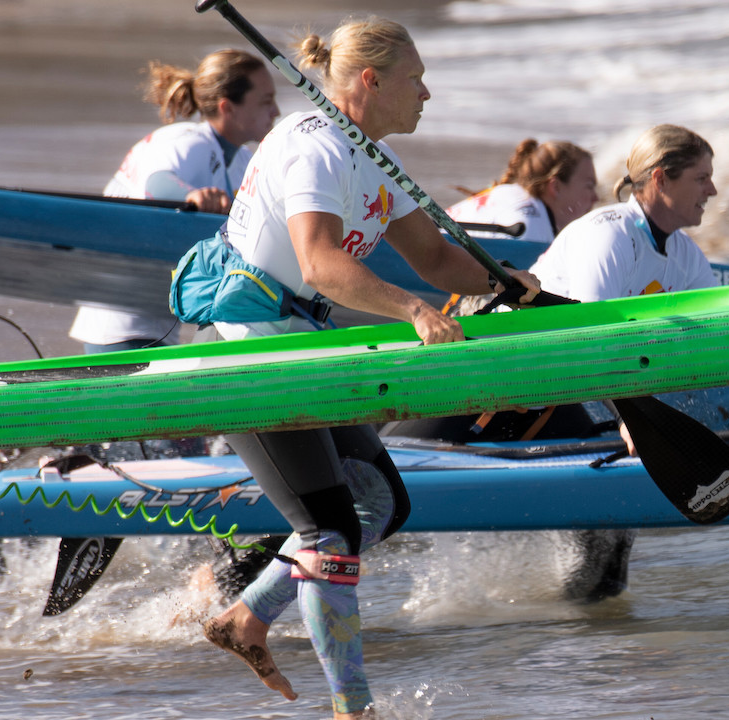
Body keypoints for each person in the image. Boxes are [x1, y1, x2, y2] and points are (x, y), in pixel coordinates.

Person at [194, 17, 538, 720]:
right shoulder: (314, 147)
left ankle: (244, 620)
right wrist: (414, 312)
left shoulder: (375, 160)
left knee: (381, 502)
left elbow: (438, 259)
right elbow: (323, 263)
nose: (428, 93)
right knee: (331, 530)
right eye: (416, 80)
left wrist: (503, 278)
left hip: (301, 348)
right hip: (249, 351)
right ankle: (354, 709)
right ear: (371, 82)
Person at [529, 124, 729, 454]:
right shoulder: (609, 237)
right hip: (511, 382)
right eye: (701, 178)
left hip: (564, 390)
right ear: (660, 179)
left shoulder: (684, 254)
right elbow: (592, 340)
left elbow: (726, 340)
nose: (712, 190)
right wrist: (628, 418)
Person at [69, 49, 280, 354]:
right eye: (266, 101)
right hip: (120, 317)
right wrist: (191, 196)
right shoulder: (186, 142)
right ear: (228, 107)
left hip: (159, 316)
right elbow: (157, 185)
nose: (275, 111)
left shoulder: (243, 159)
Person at [447, 138, 599, 243]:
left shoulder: (510, 195)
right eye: (589, 186)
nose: (595, 198)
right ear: (556, 187)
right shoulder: (530, 226)